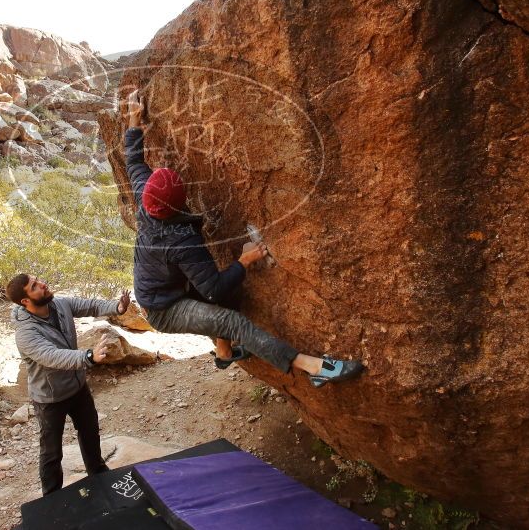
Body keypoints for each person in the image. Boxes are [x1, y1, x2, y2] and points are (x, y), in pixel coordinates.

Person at [121, 90, 364, 387]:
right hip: (163, 309)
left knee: (230, 296)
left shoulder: (145, 199)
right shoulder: (181, 240)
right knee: (230, 318)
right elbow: (212, 290)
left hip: (165, 285)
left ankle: (224, 352)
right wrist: (244, 260)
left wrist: (134, 120)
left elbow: (133, 161)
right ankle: (314, 368)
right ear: (179, 205)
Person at [6, 273, 130, 495]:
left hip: (77, 388)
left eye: (38, 280)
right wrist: (89, 356)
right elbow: (52, 356)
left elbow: (90, 305)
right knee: (52, 452)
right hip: (49, 399)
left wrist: (117, 307)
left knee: (90, 432)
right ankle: (52, 498)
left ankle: (99, 476)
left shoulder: (59, 304)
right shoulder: (25, 333)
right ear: (25, 301)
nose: (42, 284)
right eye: (34, 286)